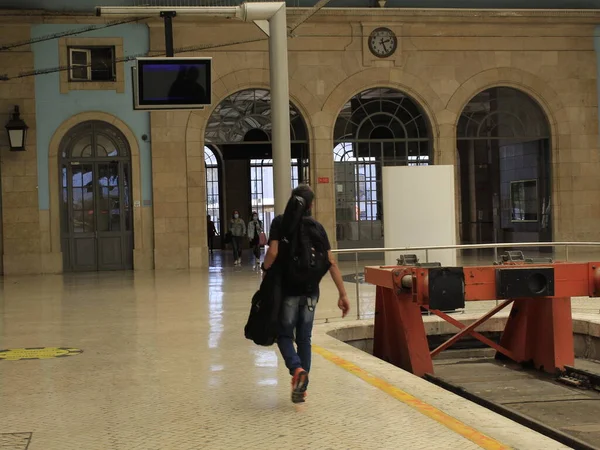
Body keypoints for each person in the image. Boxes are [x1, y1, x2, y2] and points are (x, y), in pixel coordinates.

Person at [261, 184, 350, 403]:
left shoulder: (280, 222)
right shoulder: (317, 227)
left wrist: (265, 271)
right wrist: (343, 294)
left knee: (283, 334)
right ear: (311, 205)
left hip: (288, 290)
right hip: (311, 291)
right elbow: (331, 263)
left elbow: (272, 252)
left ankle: (296, 368)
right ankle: (303, 386)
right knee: (304, 338)